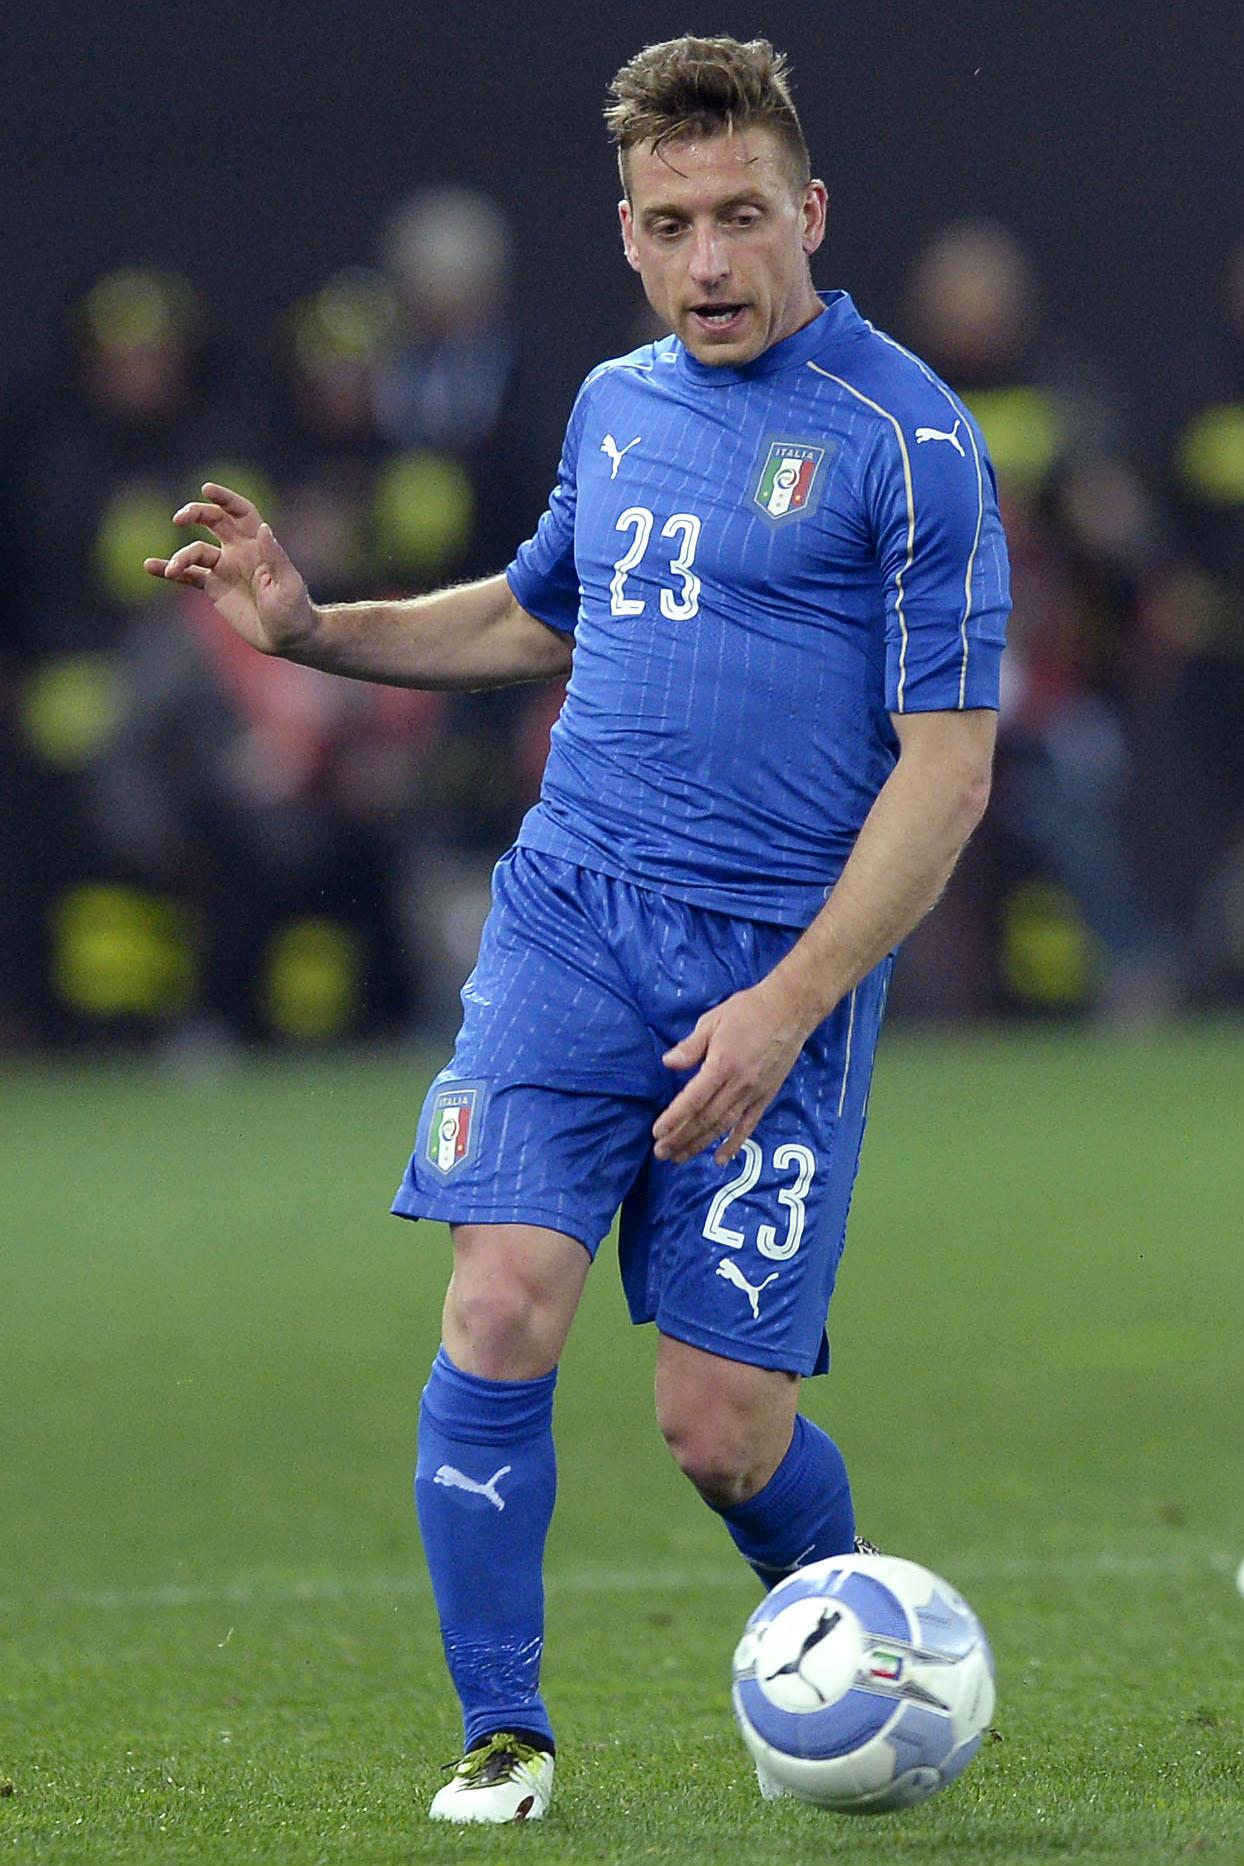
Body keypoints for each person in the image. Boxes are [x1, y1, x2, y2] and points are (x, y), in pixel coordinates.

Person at [145, 34, 1009, 1824]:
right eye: (672, 224)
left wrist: (789, 1001)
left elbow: (948, 772)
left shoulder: (910, 440)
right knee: (498, 1300)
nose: (711, 259)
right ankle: (506, 1731)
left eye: (743, 216)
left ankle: (867, 1653)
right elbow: (542, 612)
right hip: (570, 925)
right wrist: (313, 630)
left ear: (811, 212)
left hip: (773, 969)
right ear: (627, 233)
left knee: (721, 1430)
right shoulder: (616, 407)